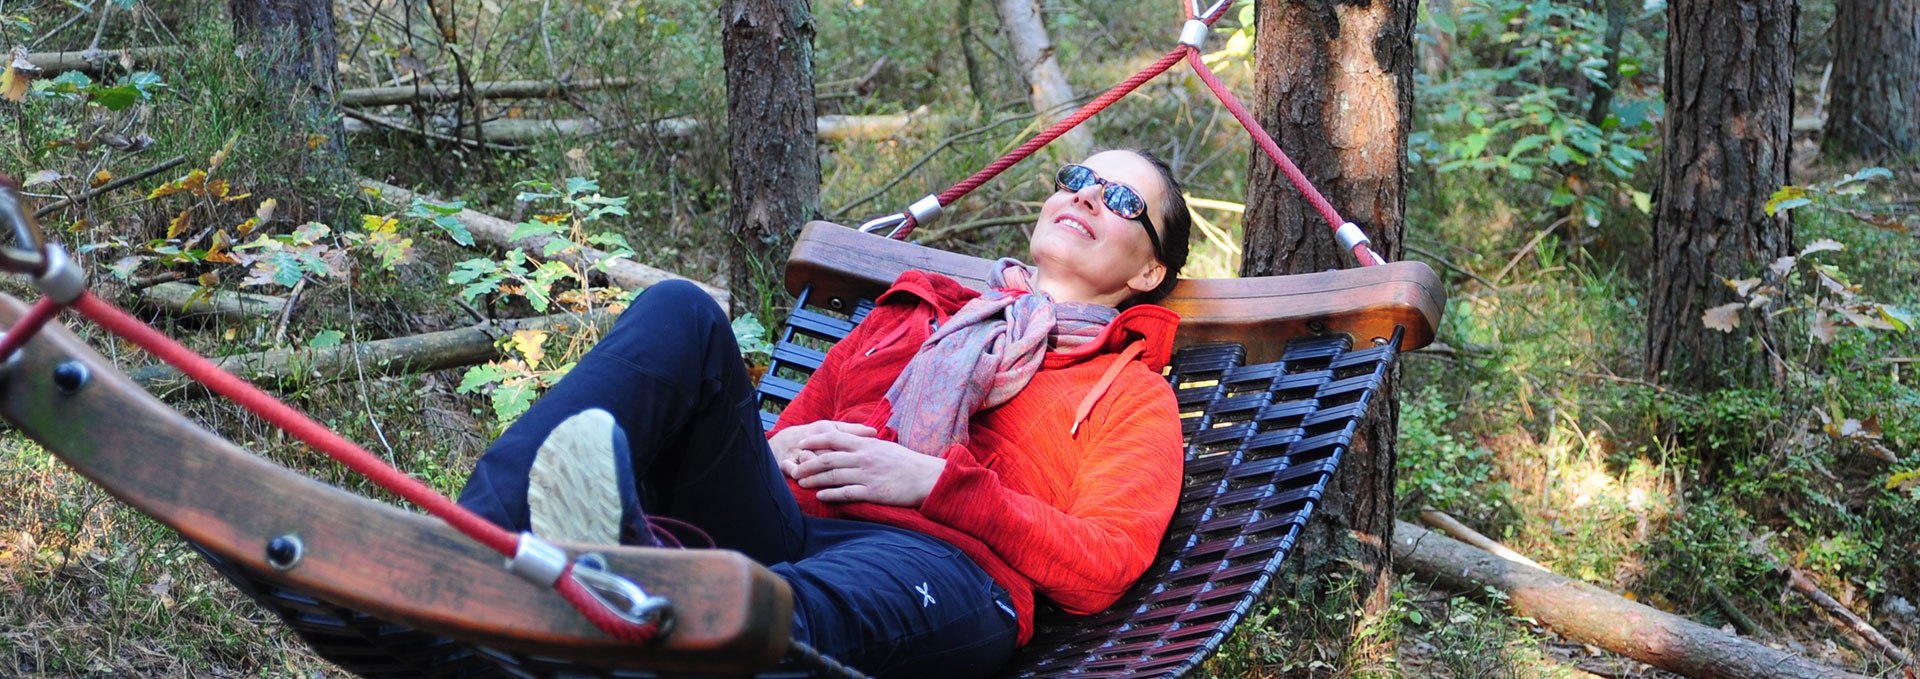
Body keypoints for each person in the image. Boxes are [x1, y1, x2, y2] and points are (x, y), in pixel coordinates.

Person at [457, 148, 1194, 678]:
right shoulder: (919, 313)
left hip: (947, 565)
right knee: (680, 308)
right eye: (1078, 178)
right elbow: (787, 436)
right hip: (788, 520)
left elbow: (1102, 562)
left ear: (1148, 270)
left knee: (784, 611)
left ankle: (631, 609)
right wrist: (771, 450)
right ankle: (468, 553)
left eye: (1123, 200)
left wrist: (934, 482)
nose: (1088, 196)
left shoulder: (1132, 393)